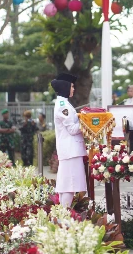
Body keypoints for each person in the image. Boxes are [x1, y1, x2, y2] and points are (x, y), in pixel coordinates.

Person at [51, 73, 87, 208]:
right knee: (70, 185)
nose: (73, 89)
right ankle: (63, 216)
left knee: (67, 184)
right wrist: (88, 124)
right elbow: (72, 129)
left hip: (70, 150)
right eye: (72, 86)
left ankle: (62, 214)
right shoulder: (63, 105)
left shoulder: (63, 103)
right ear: (65, 87)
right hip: (70, 151)